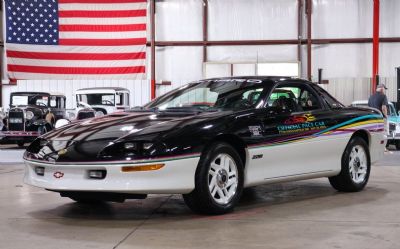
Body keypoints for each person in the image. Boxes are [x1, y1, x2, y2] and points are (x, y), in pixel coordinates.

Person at [368, 83, 389, 151]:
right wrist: (386, 116)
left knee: (374, 133)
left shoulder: (371, 97)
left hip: (372, 119)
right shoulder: (383, 96)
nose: (384, 90)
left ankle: (374, 148)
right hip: (380, 118)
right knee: (383, 132)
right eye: (384, 89)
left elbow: (369, 107)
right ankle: (383, 148)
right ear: (382, 88)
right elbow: (384, 108)